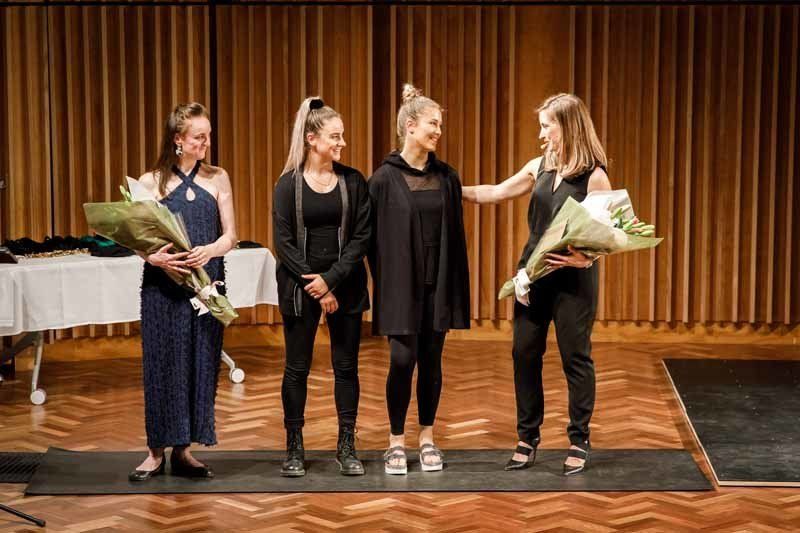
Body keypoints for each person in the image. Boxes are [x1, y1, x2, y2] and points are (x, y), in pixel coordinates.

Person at [461, 93, 611, 475]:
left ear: (568, 126)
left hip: (573, 283)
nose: (542, 133)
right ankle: (527, 437)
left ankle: (579, 439)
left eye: (548, 125)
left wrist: (588, 258)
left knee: (574, 358)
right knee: (524, 354)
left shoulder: (594, 176)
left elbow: (609, 233)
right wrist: (448, 187)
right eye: (541, 125)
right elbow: (495, 192)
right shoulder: (538, 166)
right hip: (533, 276)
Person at [129, 102, 237, 482]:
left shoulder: (218, 178)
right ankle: (155, 451)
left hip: (206, 285)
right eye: (199, 136)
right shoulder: (151, 182)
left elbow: (231, 236)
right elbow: (139, 241)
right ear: (178, 140)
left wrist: (211, 249)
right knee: (162, 364)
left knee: (200, 364)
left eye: (208, 135)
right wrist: (153, 258)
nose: (206, 142)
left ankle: (185, 450)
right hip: (163, 288)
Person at [368, 84, 470, 475]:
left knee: (431, 361)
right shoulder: (381, 179)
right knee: (401, 359)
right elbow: (369, 241)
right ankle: (395, 441)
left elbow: (456, 235)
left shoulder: (447, 177)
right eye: (433, 123)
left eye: (440, 125)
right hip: (399, 288)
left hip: (437, 285)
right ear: (410, 126)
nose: (439, 131)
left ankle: (427, 437)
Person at [273, 97, 371, 477]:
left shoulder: (354, 181)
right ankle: (294, 446)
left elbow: (361, 237)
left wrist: (331, 281)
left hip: (345, 284)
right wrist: (317, 286)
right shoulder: (287, 185)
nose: (342, 142)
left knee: (346, 368)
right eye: (335, 136)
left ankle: (346, 444)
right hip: (300, 288)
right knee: (296, 368)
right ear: (312, 139)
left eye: (342, 136)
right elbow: (283, 242)